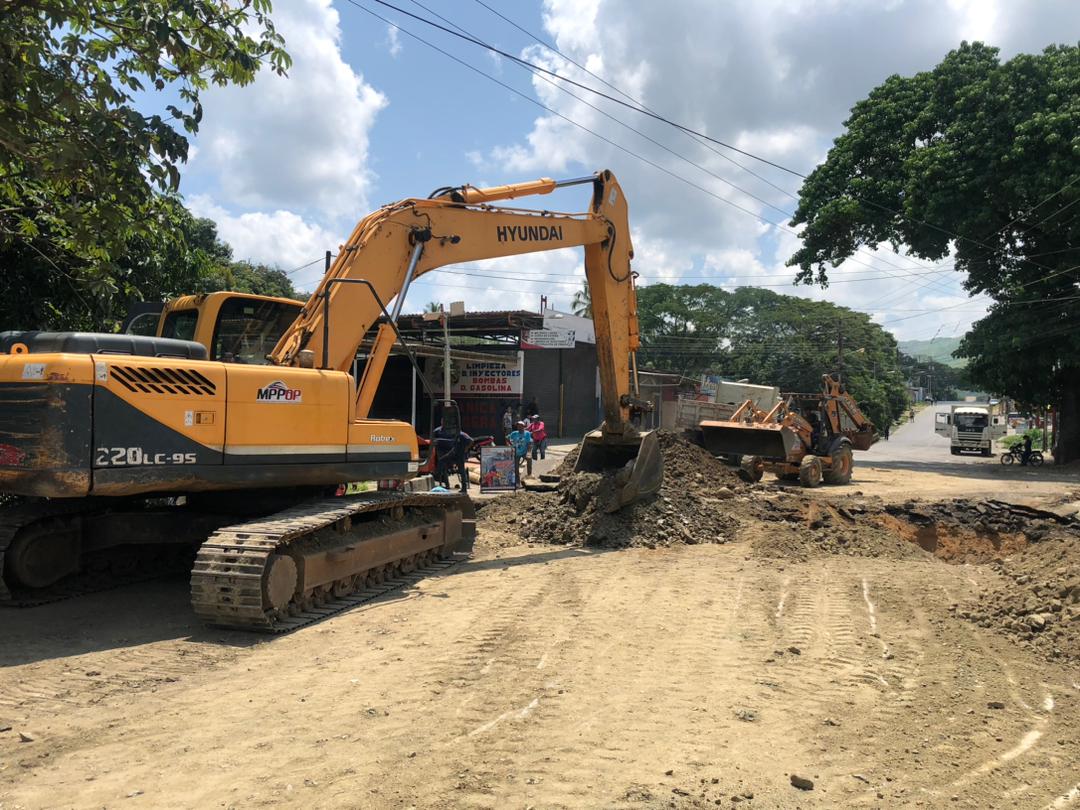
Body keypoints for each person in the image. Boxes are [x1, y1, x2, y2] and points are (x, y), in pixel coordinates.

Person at [432, 424, 473, 491]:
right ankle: (437, 474)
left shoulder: (462, 434)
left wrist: (466, 449)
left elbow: (471, 441)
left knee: (461, 470)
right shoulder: (454, 435)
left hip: (460, 455)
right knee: (442, 460)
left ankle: (464, 488)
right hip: (453, 453)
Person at [507, 420, 533, 485]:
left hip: (524, 452)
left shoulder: (527, 433)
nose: (519, 427)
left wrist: (528, 452)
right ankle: (517, 482)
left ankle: (529, 476)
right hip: (516, 452)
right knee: (516, 467)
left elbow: (530, 443)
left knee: (529, 460)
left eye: (520, 426)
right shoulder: (514, 433)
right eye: (518, 426)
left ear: (523, 426)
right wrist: (510, 445)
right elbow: (507, 438)